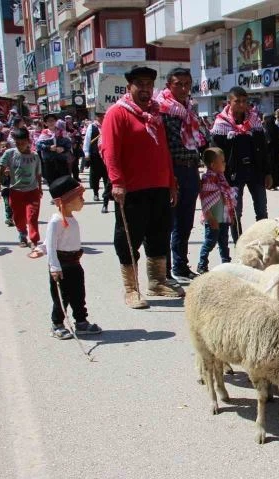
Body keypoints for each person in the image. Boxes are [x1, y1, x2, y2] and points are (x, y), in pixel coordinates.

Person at [102, 65, 181, 309]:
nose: (145, 89)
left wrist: (171, 182)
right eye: (140, 85)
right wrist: (116, 182)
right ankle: (131, 288)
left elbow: (164, 151)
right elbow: (110, 151)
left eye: (149, 85)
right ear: (129, 87)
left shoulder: (156, 114)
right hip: (132, 189)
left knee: (159, 234)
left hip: (158, 186)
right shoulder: (117, 113)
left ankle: (157, 281)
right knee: (128, 239)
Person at [155, 67, 203, 282]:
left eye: (187, 84)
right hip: (172, 170)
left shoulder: (190, 109)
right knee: (168, 222)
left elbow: (198, 139)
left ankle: (181, 266)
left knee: (186, 221)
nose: (183, 88)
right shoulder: (161, 109)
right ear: (169, 86)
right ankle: (164, 271)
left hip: (190, 168)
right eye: (178, 84)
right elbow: (162, 145)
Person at [45, 176, 102, 339]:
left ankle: (81, 322)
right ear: (67, 201)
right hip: (61, 265)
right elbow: (50, 244)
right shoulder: (56, 221)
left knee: (78, 294)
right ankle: (57, 324)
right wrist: (54, 267)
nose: (83, 201)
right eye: (80, 198)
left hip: (75, 263)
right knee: (61, 297)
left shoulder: (71, 219)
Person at [210, 86, 271, 229]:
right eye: (237, 101)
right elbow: (216, 154)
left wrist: (268, 172)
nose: (242, 105)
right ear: (229, 102)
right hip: (233, 174)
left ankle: (263, 241)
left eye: (245, 101)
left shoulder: (254, 122)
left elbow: (263, 149)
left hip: (256, 172)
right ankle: (239, 244)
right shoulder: (221, 125)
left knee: (262, 211)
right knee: (236, 213)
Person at [0, 128, 43, 251]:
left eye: (23, 143)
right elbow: (0, 168)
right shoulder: (10, 153)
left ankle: (34, 240)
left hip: (32, 191)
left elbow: (38, 174)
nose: (20, 145)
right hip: (16, 191)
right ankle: (22, 234)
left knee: (32, 216)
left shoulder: (35, 156)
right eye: (17, 143)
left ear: (28, 141)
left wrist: (40, 188)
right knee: (19, 217)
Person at [197, 147, 237, 274]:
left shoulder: (222, 179)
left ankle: (226, 263)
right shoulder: (207, 179)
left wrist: (231, 215)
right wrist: (210, 217)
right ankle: (202, 264)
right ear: (213, 165)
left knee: (224, 243)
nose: (225, 163)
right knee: (210, 242)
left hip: (224, 218)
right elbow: (205, 201)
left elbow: (227, 198)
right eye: (222, 161)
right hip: (213, 219)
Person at [82, 112, 110, 212]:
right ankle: (95, 193)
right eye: (99, 116)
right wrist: (86, 153)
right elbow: (87, 140)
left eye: (103, 115)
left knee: (107, 178)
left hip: (106, 155)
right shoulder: (92, 127)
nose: (101, 117)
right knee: (95, 176)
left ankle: (106, 198)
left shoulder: (108, 124)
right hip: (95, 155)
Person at [36, 114, 71, 186]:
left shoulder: (62, 132)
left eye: (53, 120)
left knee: (64, 182)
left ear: (56, 121)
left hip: (61, 160)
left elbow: (68, 144)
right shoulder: (44, 133)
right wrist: (48, 148)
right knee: (52, 182)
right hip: (49, 162)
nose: (51, 122)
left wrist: (63, 149)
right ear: (45, 123)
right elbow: (38, 146)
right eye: (48, 121)